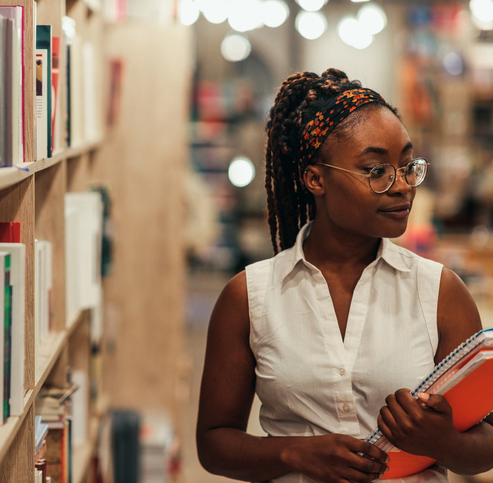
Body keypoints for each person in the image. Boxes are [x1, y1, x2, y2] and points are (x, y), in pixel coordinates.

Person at [196, 68, 493, 483]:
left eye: (408, 166)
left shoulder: (441, 292)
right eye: (376, 172)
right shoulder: (250, 296)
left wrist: (444, 442)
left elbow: (485, 446)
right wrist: (293, 452)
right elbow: (213, 444)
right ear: (316, 178)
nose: (403, 186)